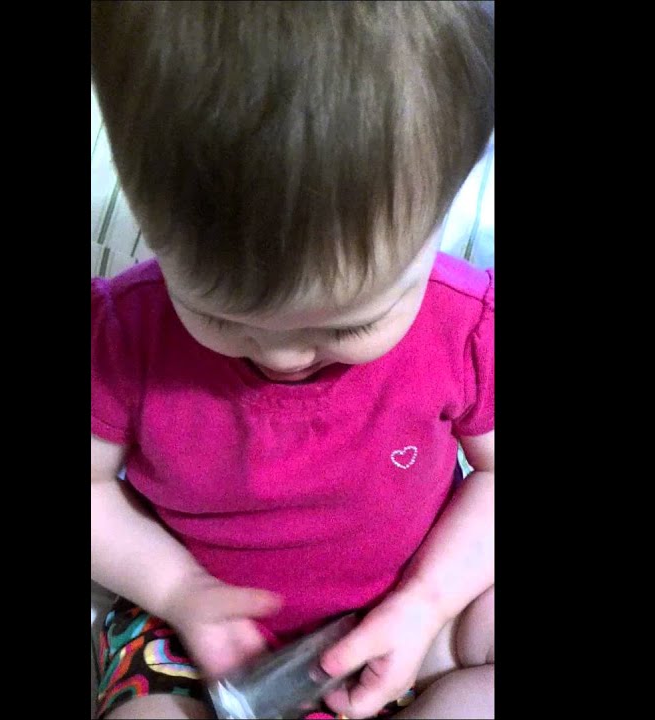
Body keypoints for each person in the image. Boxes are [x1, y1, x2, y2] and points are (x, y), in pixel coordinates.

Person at [90, 2, 494, 717]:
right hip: (194, 633)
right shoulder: (122, 333)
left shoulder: (466, 327)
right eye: (221, 317)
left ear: (444, 220)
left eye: (350, 323)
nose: (282, 357)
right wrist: (177, 588)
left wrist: (430, 600)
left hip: (418, 611)